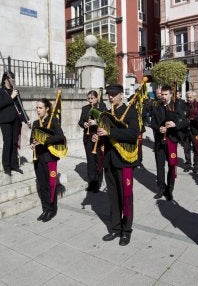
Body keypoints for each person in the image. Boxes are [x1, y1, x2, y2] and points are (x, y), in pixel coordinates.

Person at [93, 83, 139, 246]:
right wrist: (98, 138)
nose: (110, 97)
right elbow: (104, 135)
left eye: (113, 94)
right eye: (109, 94)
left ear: (121, 95)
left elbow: (133, 133)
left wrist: (110, 132)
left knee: (126, 196)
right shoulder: (106, 114)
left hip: (125, 160)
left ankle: (126, 231)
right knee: (112, 196)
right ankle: (115, 228)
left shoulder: (131, 112)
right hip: (109, 160)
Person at [30, 98, 66, 222]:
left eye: (40, 108)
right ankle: (45, 209)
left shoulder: (53, 121)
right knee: (42, 185)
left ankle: (52, 209)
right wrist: (32, 144)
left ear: (46, 109)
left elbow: (61, 137)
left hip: (50, 158)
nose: (38, 110)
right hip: (38, 158)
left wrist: (44, 140)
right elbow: (32, 139)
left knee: (51, 185)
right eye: (37, 108)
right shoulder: (35, 123)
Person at [150, 84, 189, 200]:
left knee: (172, 165)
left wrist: (175, 124)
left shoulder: (177, 106)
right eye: (162, 94)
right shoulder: (157, 107)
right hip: (159, 141)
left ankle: (170, 189)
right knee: (159, 165)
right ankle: (161, 188)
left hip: (171, 140)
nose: (163, 96)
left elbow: (186, 121)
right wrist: (158, 129)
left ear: (171, 95)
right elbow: (152, 123)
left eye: (166, 94)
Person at [0, 71, 29, 176]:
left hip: (16, 120)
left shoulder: (16, 91)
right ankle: (7, 167)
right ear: (5, 79)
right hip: (5, 121)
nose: (12, 79)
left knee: (14, 143)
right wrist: (11, 97)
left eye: (13, 77)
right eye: (10, 78)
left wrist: (26, 119)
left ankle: (14, 165)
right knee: (8, 143)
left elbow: (20, 107)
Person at [78, 90, 107, 192]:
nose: (90, 100)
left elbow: (107, 121)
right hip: (88, 137)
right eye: (89, 98)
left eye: (92, 98)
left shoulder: (102, 107)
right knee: (90, 160)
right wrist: (84, 124)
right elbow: (80, 121)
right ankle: (92, 183)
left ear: (96, 98)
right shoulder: (85, 108)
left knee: (98, 160)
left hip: (98, 137)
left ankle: (98, 183)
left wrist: (96, 122)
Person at [182, 91, 198, 174]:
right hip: (186, 130)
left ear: (194, 97)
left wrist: (195, 118)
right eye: (187, 97)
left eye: (190, 97)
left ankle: (196, 165)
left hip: (196, 131)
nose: (188, 99)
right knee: (186, 148)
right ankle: (188, 163)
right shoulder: (184, 105)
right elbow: (180, 115)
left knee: (196, 148)